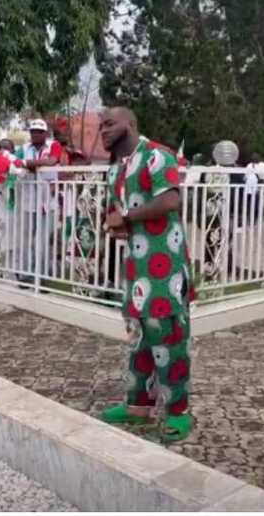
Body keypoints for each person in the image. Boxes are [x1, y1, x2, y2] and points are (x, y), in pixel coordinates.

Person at [98, 107, 194, 441]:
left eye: (110, 124)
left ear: (131, 124)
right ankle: (139, 406)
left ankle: (179, 410)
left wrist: (125, 217)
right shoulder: (116, 169)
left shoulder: (157, 156)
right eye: (101, 126)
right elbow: (123, 215)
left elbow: (169, 201)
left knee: (168, 337)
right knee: (140, 337)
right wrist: (117, 225)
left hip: (164, 264)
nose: (103, 130)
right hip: (136, 266)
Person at [16, 119, 64, 284]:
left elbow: (52, 161)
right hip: (28, 201)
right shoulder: (23, 148)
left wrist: (27, 164)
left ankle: (42, 277)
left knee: (42, 241)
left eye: (39, 131)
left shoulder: (54, 145)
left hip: (47, 203)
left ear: (45, 133)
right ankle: (26, 274)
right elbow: (15, 163)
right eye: (33, 131)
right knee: (25, 240)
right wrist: (26, 164)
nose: (36, 134)